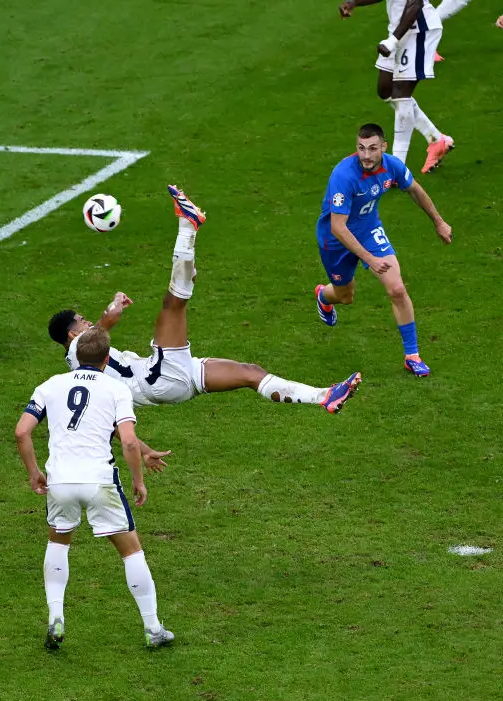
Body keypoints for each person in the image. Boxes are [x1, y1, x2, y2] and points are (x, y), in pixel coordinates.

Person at [49, 187, 362, 412]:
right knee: (173, 303)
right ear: (71, 333)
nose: (87, 322)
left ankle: (324, 396)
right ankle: (188, 225)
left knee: (249, 372)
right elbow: (102, 328)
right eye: (81, 321)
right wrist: (111, 311)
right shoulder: (77, 352)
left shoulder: (81, 354)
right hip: (155, 379)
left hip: (172, 378)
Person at [16, 326, 175, 650]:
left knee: (59, 544)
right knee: (131, 550)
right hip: (100, 480)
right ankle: (153, 628)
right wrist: (139, 480)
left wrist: (33, 473)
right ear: (106, 359)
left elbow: (22, 432)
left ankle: (56, 618)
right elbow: (126, 438)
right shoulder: (115, 389)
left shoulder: (50, 385)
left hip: (59, 480)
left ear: (76, 356)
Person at [315, 123, 452, 376]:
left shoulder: (392, 166)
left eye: (372, 149)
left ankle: (412, 355)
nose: (366, 155)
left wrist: (439, 222)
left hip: (368, 231)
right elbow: (338, 227)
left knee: (397, 289)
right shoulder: (343, 175)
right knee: (345, 296)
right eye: (361, 148)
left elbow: (415, 190)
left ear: (384, 147)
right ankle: (324, 296)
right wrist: (369, 259)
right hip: (336, 240)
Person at [339, 0, 454, 173]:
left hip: (418, 30)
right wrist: (354, 2)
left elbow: (415, 5)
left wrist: (393, 41)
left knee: (401, 93)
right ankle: (437, 140)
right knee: (385, 90)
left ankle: (396, 169)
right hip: (399, 30)